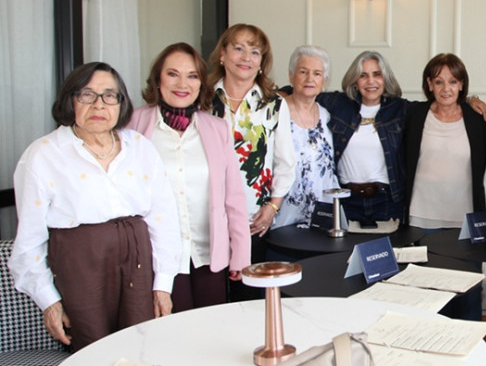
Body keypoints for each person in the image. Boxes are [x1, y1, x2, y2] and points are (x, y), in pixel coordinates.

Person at [9, 62, 181, 350]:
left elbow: (163, 219)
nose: (99, 104)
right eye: (87, 95)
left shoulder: (139, 147)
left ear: (121, 103)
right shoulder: (42, 155)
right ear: (70, 100)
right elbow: (29, 240)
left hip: (137, 264)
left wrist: (163, 283)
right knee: (92, 350)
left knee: (141, 346)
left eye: (110, 95)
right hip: (80, 265)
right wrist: (48, 301)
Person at [128, 42, 251, 311]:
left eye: (192, 75)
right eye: (173, 74)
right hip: (159, 258)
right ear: (158, 80)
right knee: (172, 336)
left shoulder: (217, 128)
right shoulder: (136, 125)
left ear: (200, 83)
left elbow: (234, 198)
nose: (182, 83)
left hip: (208, 255)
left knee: (211, 333)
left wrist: (241, 254)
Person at [403, 53, 486, 320]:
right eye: (439, 81)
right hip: (419, 223)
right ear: (429, 84)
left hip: (465, 226)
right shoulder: (414, 114)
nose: (446, 88)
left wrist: (476, 103)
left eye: (453, 81)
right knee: (425, 301)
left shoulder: (475, 118)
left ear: (462, 85)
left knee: (468, 299)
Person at [207, 24, 296, 301]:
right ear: (223, 54)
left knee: (247, 300)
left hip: (253, 221)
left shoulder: (274, 104)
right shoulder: (202, 99)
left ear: (261, 63)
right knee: (210, 301)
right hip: (207, 219)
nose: (246, 57)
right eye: (238, 48)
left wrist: (272, 208)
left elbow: (286, 163)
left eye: (255, 52)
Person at [316, 51, 408, 225]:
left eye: (377, 74)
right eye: (363, 75)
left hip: (387, 201)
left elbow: (434, 108)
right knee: (344, 252)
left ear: (385, 78)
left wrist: (472, 100)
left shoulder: (400, 109)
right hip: (345, 199)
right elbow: (296, 91)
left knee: (386, 252)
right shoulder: (338, 104)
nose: (371, 81)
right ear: (355, 81)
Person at [271, 45, 339, 229]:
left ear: (324, 80)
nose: (310, 79)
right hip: (281, 215)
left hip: (323, 218)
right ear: (291, 76)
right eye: (303, 72)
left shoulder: (327, 116)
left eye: (317, 73)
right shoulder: (275, 112)